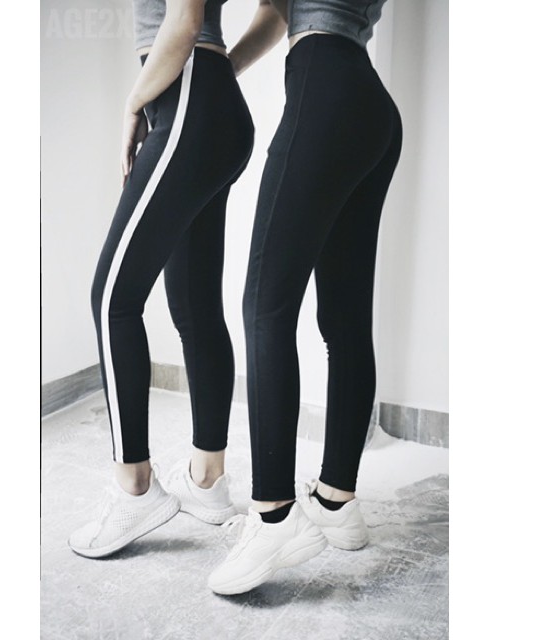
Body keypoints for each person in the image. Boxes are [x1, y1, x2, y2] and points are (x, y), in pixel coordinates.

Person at [68, 0, 286, 558]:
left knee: (113, 299)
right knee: (195, 307)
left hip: (185, 97)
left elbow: (185, 20)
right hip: (211, 102)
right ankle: (207, 482)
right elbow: (278, 10)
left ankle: (134, 488)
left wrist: (134, 101)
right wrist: (220, 70)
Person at [209, 0, 402, 594]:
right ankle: (337, 502)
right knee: (345, 322)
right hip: (370, 101)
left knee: (265, 307)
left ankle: (272, 517)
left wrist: (215, 69)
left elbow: (273, 9)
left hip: (321, 84)